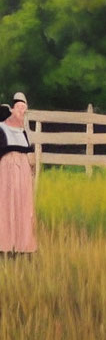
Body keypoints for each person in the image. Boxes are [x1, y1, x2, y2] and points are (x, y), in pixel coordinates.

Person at [1, 92, 38, 257]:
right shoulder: (2, 127)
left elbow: (29, 150)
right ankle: (5, 245)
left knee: (23, 205)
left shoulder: (23, 131)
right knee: (6, 205)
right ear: (13, 109)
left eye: (24, 109)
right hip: (6, 169)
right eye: (19, 108)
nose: (22, 112)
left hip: (22, 169)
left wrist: (30, 163)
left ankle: (23, 246)